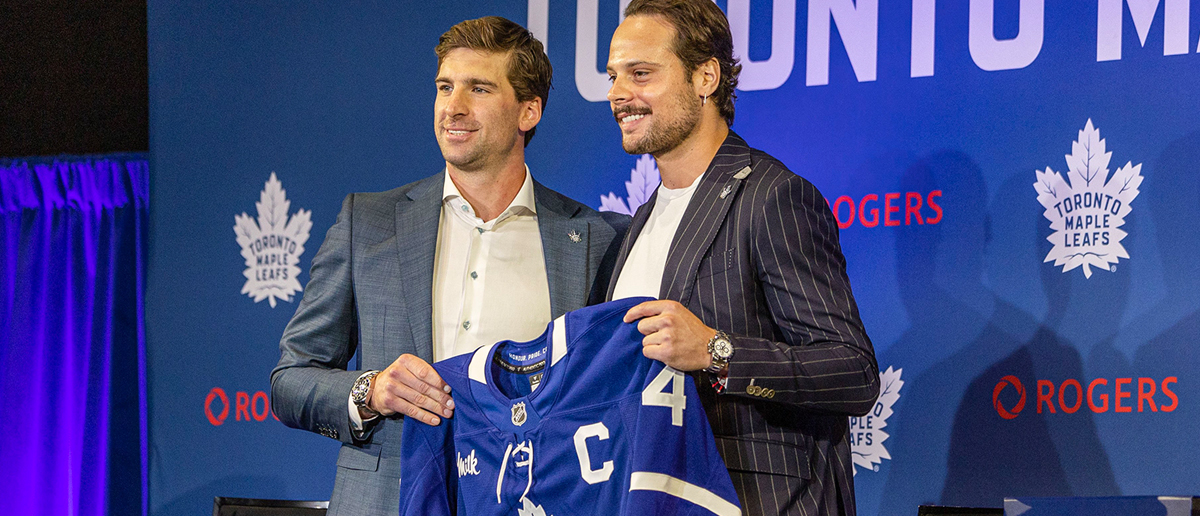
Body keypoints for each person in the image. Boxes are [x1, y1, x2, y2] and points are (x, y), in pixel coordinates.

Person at [270, 17, 626, 516]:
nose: (453, 108)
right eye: (444, 87)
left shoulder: (595, 238)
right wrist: (372, 390)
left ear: (528, 110)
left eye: (478, 88)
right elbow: (291, 379)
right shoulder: (367, 224)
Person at [604, 1, 880, 514]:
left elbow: (854, 372)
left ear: (705, 76)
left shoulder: (772, 197)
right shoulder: (639, 221)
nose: (619, 94)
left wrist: (715, 350)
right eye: (614, 76)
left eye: (641, 74)